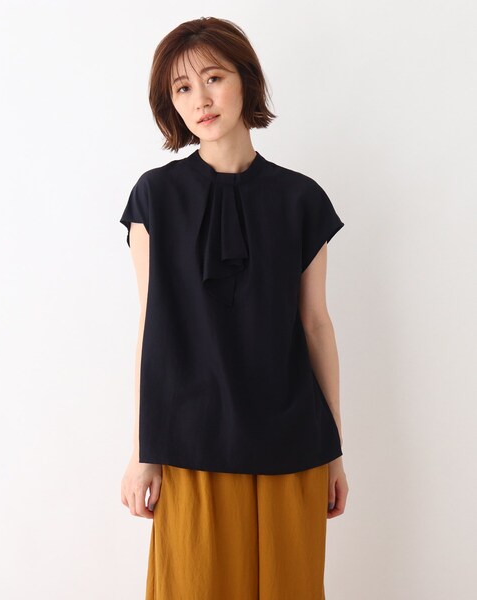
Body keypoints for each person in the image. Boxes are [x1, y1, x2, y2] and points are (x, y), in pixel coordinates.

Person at [120, 16, 349, 600]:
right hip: (189, 441)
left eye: (213, 78)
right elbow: (151, 326)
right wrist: (143, 450)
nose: (200, 99)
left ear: (246, 79)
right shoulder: (155, 197)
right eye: (182, 88)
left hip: (293, 445)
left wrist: (335, 452)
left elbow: (316, 324)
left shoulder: (301, 198)